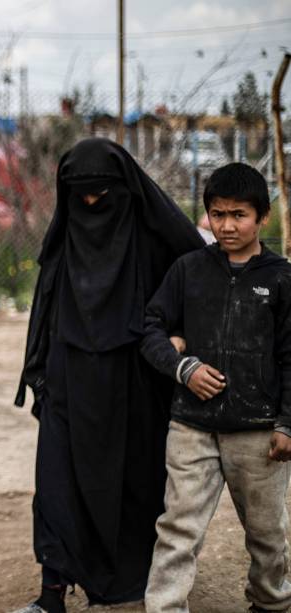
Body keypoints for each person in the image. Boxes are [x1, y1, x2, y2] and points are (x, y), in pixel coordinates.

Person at [13, 138, 205, 612]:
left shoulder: (160, 239)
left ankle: (137, 583)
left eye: (103, 193)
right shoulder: (65, 240)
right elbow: (45, 312)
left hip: (136, 382)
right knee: (57, 485)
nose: (93, 204)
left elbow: (196, 290)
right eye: (82, 195)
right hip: (68, 379)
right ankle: (50, 594)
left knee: (135, 484)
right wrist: (39, 373)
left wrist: (178, 337)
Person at [140, 163, 291, 613]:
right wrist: (182, 367)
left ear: (263, 217)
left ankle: (271, 603)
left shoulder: (282, 279)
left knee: (267, 534)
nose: (227, 225)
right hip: (192, 427)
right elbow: (150, 328)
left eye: (239, 215)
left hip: (259, 433)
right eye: (218, 214)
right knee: (178, 528)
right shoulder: (188, 270)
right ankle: (164, 606)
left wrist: (286, 422)